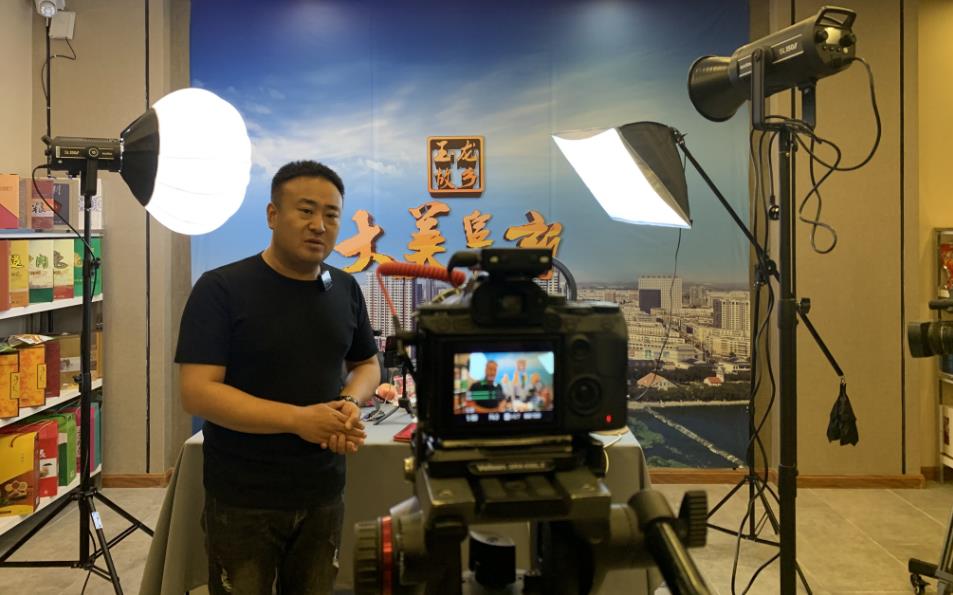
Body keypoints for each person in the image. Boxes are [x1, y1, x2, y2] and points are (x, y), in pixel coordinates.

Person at [175, 160, 380, 595]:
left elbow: (366, 364)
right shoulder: (221, 289)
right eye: (306, 211)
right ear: (273, 214)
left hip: (324, 490)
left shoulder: (345, 288)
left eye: (331, 215)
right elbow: (197, 393)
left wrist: (350, 402)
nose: (319, 225)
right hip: (243, 496)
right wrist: (298, 420)